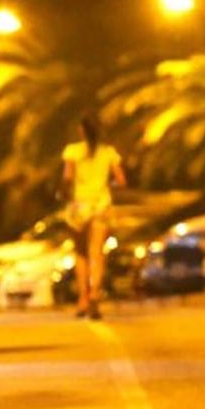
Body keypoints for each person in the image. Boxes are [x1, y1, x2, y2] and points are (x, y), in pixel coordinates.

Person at [61, 114, 127, 320]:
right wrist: (107, 186)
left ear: (81, 131)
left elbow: (67, 178)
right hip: (101, 206)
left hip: (80, 206)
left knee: (81, 255)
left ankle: (82, 299)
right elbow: (121, 180)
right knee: (97, 253)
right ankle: (95, 295)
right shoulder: (108, 153)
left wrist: (64, 193)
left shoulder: (72, 152)